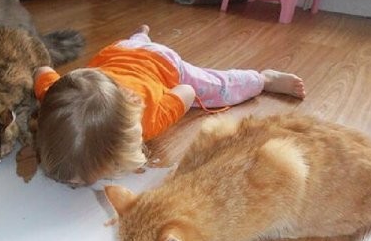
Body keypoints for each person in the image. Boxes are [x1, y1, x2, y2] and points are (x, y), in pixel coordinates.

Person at [34, 25, 306, 186]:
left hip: (164, 63)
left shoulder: (149, 119)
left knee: (218, 86)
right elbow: (42, 70)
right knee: (136, 44)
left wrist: (181, 97)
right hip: (119, 50)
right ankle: (141, 36)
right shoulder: (53, 96)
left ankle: (263, 79)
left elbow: (187, 91)